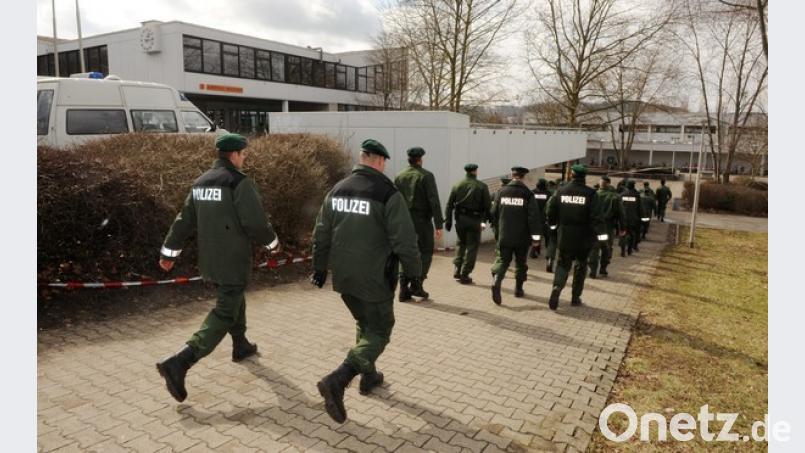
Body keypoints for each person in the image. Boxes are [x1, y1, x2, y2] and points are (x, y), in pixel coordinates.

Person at [155, 133, 279, 403]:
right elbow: (255, 221)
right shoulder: (238, 182)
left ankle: (241, 345)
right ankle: (180, 362)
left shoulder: (200, 183)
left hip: (211, 260)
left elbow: (183, 221)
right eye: (244, 154)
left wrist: (169, 253)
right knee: (225, 310)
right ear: (234, 155)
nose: (245, 159)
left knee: (234, 297)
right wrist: (272, 243)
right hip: (233, 258)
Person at [311, 139, 422, 424]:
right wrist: (414, 272)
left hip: (345, 277)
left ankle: (369, 376)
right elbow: (405, 241)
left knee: (364, 323)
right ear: (380, 161)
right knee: (381, 330)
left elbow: (321, 232)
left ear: (361, 159)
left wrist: (319, 268)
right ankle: (339, 378)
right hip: (375, 277)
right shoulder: (387, 193)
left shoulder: (337, 189)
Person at [546, 165, 607, 310]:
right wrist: (602, 238)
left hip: (565, 236)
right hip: (584, 238)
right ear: (584, 176)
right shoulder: (591, 194)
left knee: (562, 264)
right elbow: (597, 218)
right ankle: (575, 297)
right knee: (580, 266)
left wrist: (554, 227)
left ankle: (557, 288)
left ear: (571, 174)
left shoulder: (561, 191)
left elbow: (550, 210)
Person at [394, 147, 444, 301]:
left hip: (403, 221)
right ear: (420, 159)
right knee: (425, 252)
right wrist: (438, 225)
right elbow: (434, 201)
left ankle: (403, 288)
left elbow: (394, 201)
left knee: (405, 252)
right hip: (421, 221)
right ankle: (417, 284)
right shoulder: (426, 176)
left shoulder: (399, 176)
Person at [490, 167, 542, 305]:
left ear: (512, 175)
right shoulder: (528, 194)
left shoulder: (501, 192)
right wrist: (536, 239)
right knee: (520, 264)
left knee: (503, 261)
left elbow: (494, 214)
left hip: (505, 235)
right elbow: (533, 218)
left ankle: (497, 281)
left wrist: (498, 233)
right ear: (524, 176)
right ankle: (518, 290)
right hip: (521, 238)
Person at [445, 163, 492, 284]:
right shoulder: (482, 186)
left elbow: (449, 204)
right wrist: (488, 220)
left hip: (460, 219)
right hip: (474, 220)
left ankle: (457, 269)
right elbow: (487, 206)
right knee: (472, 247)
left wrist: (449, 220)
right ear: (475, 171)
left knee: (461, 243)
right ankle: (465, 274)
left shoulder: (457, 185)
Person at [587, 175, 624, 278]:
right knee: (606, 248)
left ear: (600, 183)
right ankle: (603, 269)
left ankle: (593, 270)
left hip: (594, 227)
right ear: (609, 184)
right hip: (607, 227)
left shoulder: (593, 195)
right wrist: (623, 227)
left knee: (594, 248)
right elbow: (621, 213)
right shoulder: (614, 197)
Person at [620, 180, 645, 256]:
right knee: (631, 234)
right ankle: (629, 250)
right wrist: (641, 218)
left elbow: (618, 207)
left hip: (623, 219)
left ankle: (622, 251)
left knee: (623, 234)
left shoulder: (622, 195)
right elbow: (640, 208)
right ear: (633, 186)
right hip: (633, 219)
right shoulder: (637, 195)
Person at [529, 178, 552, 260]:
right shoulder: (549, 194)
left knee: (536, 235)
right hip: (544, 218)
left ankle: (536, 250)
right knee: (547, 237)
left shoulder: (532, 193)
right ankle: (548, 254)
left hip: (533, 217)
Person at [545, 180, 559, 272]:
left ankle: (550, 260)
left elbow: (548, 210)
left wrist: (551, 222)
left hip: (555, 224)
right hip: (568, 226)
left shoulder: (554, 197)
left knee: (553, 243)